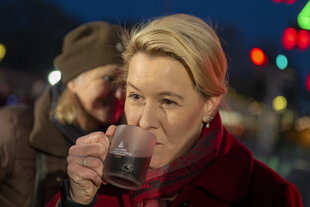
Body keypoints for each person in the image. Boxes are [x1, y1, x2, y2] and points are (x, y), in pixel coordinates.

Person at [46, 14, 303, 207]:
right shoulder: (102, 180)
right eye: (135, 96)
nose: (145, 121)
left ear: (209, 106)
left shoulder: (266, 195)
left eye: (168, 101)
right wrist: (76, 199)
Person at [0, 21, 125, 207]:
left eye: (125, 83)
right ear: (72, 81)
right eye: (108, 79)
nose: (119, 93)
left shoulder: (121, 148)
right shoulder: (12, 127)